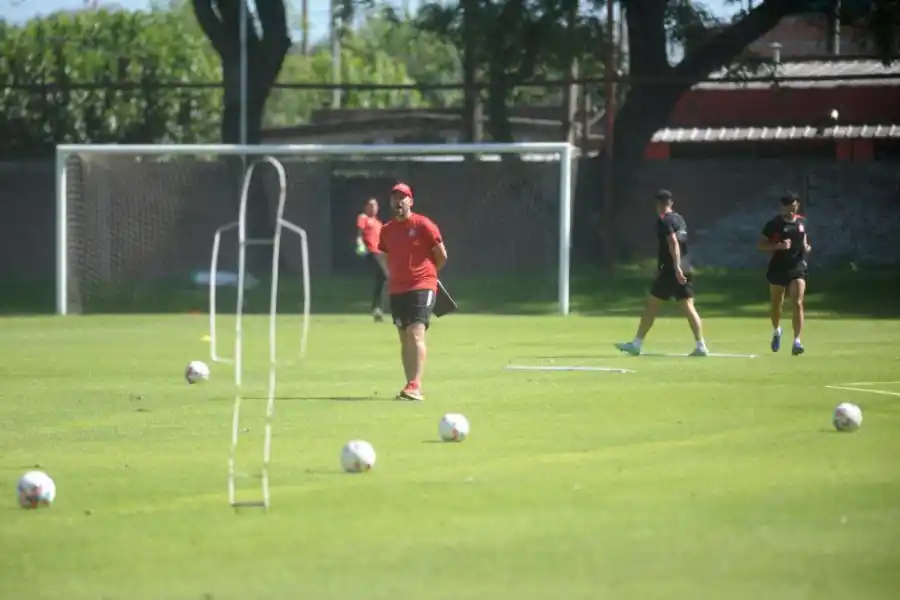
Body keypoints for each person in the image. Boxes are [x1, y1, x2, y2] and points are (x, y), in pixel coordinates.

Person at [375, 183, 448, 401]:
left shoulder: (424, 224)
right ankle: (409, 385)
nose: (399, 201)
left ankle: (416, 385)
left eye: (403, 198)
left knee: (416, 332)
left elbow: (441, 256)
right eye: (395, 198)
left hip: (422, 285)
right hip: (398, 289)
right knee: (404, 337)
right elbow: (386, 255)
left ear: (410, 201)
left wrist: (428, 276)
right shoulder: (387, 230)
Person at [615, 190, 709, 357]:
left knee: (651, 304)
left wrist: (675, 267)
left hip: (672, 270)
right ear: (670, 202)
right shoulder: (679, 219)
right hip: (686, 266)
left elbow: (673, 242)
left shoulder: (664, 221)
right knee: (688, 306)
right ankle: (700, 345)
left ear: (658, 204)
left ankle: (636, 344)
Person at [758, 192, 811, 355]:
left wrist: (806, 247)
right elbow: (761, 245)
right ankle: (777, 330)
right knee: (776, 304)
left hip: (797, 266)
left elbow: (803, 240)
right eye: (788, 206)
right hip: (778, 267)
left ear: (797, 206)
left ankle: (797, 341)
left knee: (797, 302)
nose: (791, 209)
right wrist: (778, 246)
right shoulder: (774, 224)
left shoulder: (802, 222)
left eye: (794, 206)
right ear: (782, 207)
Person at [355, 198, 386, 322]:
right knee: (384, 276)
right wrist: (360, 244)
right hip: (371, 251)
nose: (373, 208)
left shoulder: (379, 223)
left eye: (375, 206)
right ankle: (377, 308)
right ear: (366, 207)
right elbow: (359, 234)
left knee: (382, 280)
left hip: (380, 252)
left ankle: (377, 309)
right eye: (371, 206)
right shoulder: (363, 218)